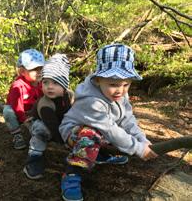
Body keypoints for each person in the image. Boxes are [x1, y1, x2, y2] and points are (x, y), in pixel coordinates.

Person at [59, 44, 158, 201]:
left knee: (105, 133)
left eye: (126, 84)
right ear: (98, 80)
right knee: (90, 135)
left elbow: (127, 119)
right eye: (113, 84)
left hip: (101, 130)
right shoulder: (91, 100)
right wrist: (138, 148)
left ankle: (100, 155)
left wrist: (142, 139)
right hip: (74, 132)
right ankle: (72, 174)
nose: (120, 90)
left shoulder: (120, 94)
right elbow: (110, 129)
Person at [23, 53, 74, 180]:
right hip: (42, 123)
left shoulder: (70, 95)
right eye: (46, 82)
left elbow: (76, 113)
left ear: (64, 84)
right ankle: (34, 159)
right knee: (42, 130)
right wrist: (65, 142)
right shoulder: (45, 104)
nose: (50, 87)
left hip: (60, 123)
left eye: (56, 82)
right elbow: (53, 126)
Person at [3, 49, 45, 150]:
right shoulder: (18, 86)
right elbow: (17, 106)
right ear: (22, 71)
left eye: (41, 69)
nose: (39, 72)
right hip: (19, 113)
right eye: (35, 69)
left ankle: (39, 132)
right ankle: (17, 135)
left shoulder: (42, 83)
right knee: (7, 111)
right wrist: (24, 119)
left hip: (33, 112)